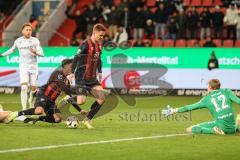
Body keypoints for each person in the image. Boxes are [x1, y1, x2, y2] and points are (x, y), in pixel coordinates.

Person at [17, 59, 86, 124]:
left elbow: (69, 98)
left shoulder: (67, 81)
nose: (73, 68)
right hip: (43, 95)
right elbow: (64, 88)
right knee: (39, 111)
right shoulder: (58, 74)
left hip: (51, 102)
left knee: (58, 119)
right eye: (71, 66)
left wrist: (80, 110)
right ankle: (17, 114)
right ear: (65, 67)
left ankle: (35, 119)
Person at [162, 79, 240, 135]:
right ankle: (236, 128)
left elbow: (189, 107)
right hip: (232, 128)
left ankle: (216, 131)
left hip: (222, 127)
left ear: (210, 87)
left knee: (191, 129)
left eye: (207, 86)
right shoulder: (227, 91)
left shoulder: (206, 99)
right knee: (197, 126)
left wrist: (173, 110)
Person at [69, 23, 106, 129]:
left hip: (92, 77)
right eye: (100, 35)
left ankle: (87, 119)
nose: (102, 37)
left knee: (102, 98)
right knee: (81, 101)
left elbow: (99, 59)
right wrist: (72, 72)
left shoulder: (99, 45)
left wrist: (100, 72)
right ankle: (69, 99)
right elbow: (76, 58)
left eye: (103, 36)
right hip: (81, 76)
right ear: (94, 33)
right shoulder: (85, 44)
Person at [0, 23, 44, 110]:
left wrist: (36, 52)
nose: (28, 32)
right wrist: (2, 55)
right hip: (23, 67)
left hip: (34, 68)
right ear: (22, 31)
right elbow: (12, 49)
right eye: (27, 30)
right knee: (24, 87)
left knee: (33, 90)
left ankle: (31, 101)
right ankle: (24, 109)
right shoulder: (18, 41)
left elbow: (42, 54)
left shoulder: (35, 41)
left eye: (30, 30)